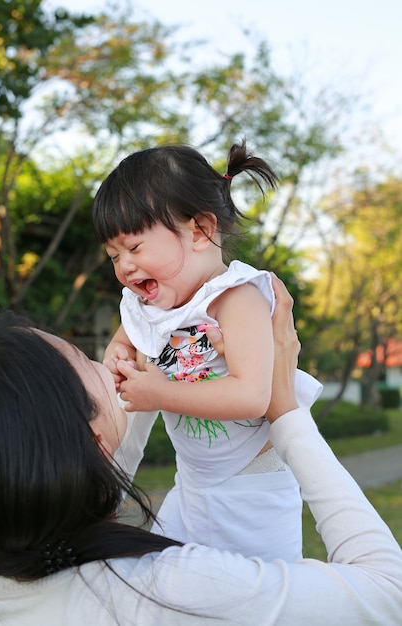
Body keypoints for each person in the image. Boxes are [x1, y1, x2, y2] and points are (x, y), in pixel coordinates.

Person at [0, 277, 401, 625]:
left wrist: (168, 346)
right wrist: (285, 412)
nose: (106, 359)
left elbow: (99, 453)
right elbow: (388, 594)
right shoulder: (171, 593)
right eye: (86, 359)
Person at [92, 141, 322, 559]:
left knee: (257, 598)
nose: (124, 266)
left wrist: (160, 393)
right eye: (113, 255)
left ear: (200, 231)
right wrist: (118, 353)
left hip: (252, 495)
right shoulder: (153, 303)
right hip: (193, 483)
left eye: (135, 247)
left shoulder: (237, 300)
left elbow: (253, 395)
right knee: (179, 586)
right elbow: (132, 334)